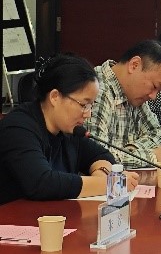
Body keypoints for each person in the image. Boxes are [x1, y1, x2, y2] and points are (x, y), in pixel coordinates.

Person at [0, 54, 139, 205]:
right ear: (55, 97)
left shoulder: (68, 131)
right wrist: (110, 183)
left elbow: (101, 155)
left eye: (91, 105)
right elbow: (42, 183)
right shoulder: (18, 128)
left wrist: (102, 174)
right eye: (84, 105)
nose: (88, 114)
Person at [85, 40, 161, 168]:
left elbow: (157, 133)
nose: (153, 96)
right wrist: (151, 156)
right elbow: (97, 157)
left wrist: (131, 150)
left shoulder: (134, 94)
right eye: (154, 86)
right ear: (134, 65)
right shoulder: (97, 91)